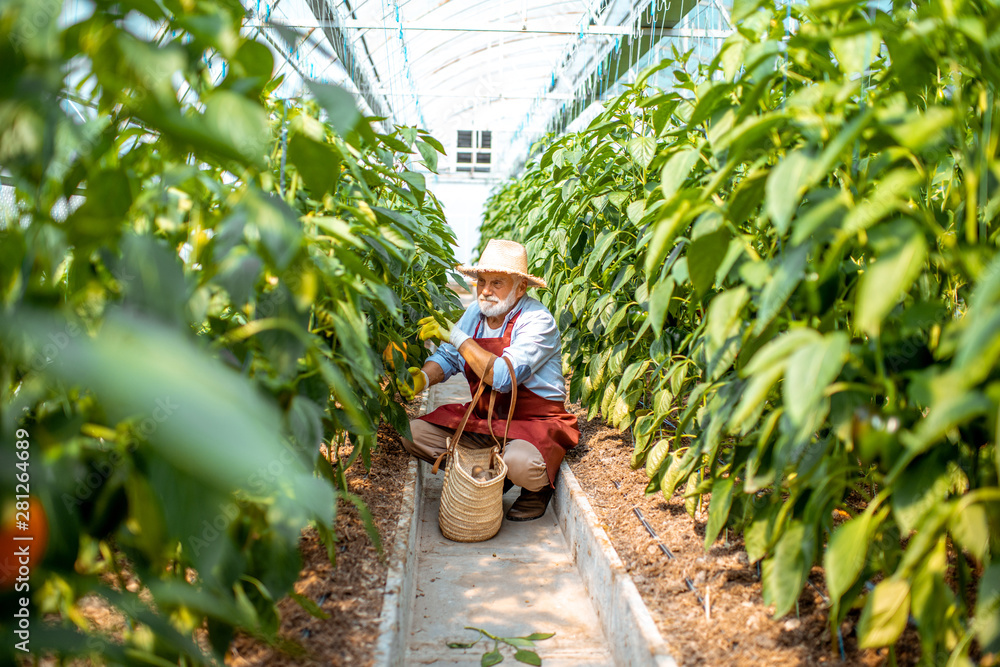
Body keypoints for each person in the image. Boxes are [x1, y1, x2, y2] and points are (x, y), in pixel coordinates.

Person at [398, 239, 579, 521]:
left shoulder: (537, 321)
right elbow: (449, 356)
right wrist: (422, 377)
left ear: (521, 287)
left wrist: (457, 336)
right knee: (413, 434)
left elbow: (503, 377)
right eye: (482, 281)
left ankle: (537, 488)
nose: (485, 290)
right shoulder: (476, 313)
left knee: (520, 462)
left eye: (497, 283)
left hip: (533, 423)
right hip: (488, 419)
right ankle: (489, 475)